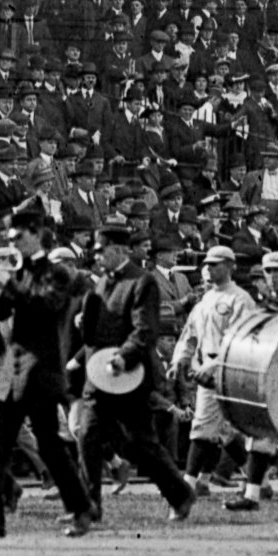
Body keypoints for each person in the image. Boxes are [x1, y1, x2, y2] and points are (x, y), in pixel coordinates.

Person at [0, 206, 99, 537]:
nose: (13, 243)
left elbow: (45, 307)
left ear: (37, 234)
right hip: (14, 367)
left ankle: (81, 508)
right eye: (10, 237)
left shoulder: (57, 273)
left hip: (42, 369)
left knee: (50, 446)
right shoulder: (19, 272)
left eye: (18, 237)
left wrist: (7, 283)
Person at [69, 222, 196, 531]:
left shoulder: (142, 283)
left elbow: (145, 330)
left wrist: (123, 356)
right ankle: (87, 508)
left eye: (102, 252)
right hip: (99, 377)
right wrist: (83, 323)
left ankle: (180, 494)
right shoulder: (102, 284)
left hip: (131, 377)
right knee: (87, 435)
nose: (97, 258)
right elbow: (95, 335)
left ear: (119, 251)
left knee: (141, 445)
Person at [168, 242, 257, 505]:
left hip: (230, 369)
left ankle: (190, 483)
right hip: (206, 370)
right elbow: (190, 334)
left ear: (230, 267)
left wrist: (216, 363)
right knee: (222, 430)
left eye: (215, 264)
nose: (208, 269)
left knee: (215, 427)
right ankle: (257, 480)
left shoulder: (240, 299)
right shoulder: (206, 299)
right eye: (207, 264)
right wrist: (180, 360)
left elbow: (241, 338)